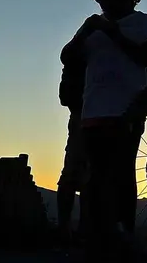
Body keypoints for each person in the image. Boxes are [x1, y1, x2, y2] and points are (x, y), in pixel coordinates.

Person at [60, 0, 147, 261]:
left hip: (128, 112)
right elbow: (67, 57)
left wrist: (112, 33)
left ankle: (124, 235)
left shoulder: (142, 22)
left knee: (122, 174)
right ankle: (94, 237)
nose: (104, 1)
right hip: (92, 114)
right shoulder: (92, 26)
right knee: (94, 177)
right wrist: (85, 32)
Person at [56, 57, 89, 243]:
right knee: (74, 175)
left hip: (84, 119)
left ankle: (75, 229)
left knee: (81, 176)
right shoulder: (80, 56)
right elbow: (65, 97)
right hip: (83, 119)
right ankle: (66, 229)